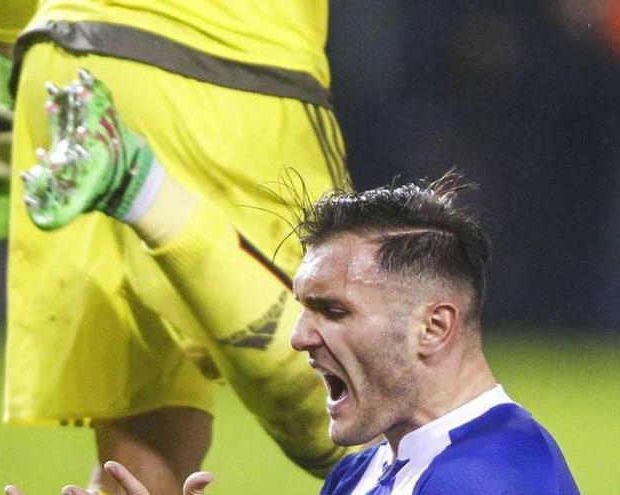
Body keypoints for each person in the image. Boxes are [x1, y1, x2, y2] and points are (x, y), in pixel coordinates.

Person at [0, 1, 352, 493]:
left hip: (64, 74)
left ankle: (128, 179)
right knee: (357, 413)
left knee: (147, 443)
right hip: (228, 64)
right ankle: (138, 186)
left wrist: (5, 79)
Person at [36, 174, 580, 495]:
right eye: (304, 309)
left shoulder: (491, 479)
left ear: (433, 328)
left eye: (334, 311)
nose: (299, 338)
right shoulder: (362, 471)